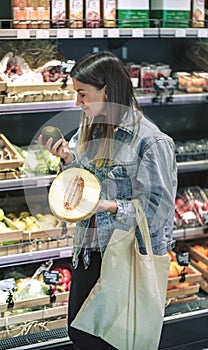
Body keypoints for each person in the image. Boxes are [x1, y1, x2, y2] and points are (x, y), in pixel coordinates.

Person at [38, 51, 177, 350]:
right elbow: (85, 182)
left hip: (127, 260)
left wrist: (109, 206)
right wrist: (69, 158)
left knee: (115, 342)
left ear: (107, 91)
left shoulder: (151, 142)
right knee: (81, 334)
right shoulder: (89, 130)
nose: (78, 103)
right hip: (89, 252)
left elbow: (159, 210)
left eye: (82, 94)